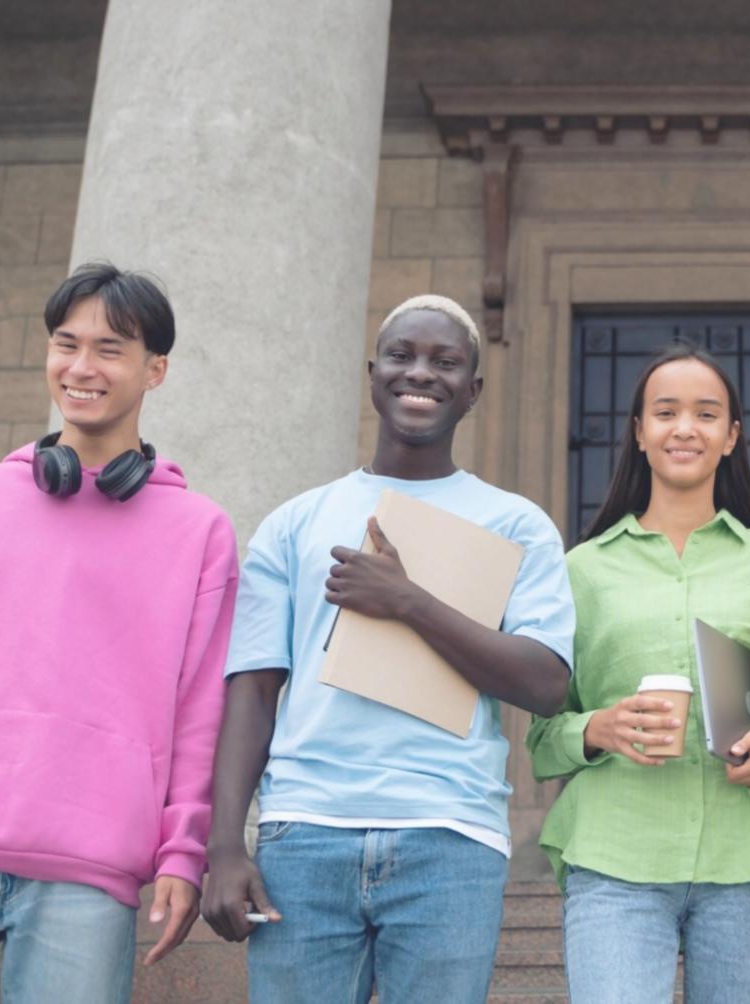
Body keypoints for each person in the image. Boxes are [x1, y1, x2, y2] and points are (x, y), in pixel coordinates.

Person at [202, 294, 574, 1004]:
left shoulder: (517, 525)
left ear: (474, 389)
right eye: (403, 356)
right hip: (305, 832)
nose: (422, 373)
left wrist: (409, 603)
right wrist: (224, 844)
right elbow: (251, 689)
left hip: (450, 837)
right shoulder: (295, 522)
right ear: (373, 372)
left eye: (446, 362)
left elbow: (545, 683)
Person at [0, 263, 238, 1003]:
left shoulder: (198, 531)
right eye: (65, 343)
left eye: (110, 349)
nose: (81, 368)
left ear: (156, 371)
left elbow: (202, 712)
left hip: (88, 868)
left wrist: (183, 853)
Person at [527, 342, 750, 1003]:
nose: (685, 428)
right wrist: (599, 727)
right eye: (666, 412)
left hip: (749, 862)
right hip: (614, 856)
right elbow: (541, 738)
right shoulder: (581, 571)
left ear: (731, 436)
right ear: (639, 432)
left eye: (707, 414)